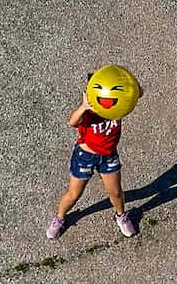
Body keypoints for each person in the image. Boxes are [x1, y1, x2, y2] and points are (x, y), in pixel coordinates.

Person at [46, 78, 142, 239]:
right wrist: (84, 106)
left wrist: (131, 85)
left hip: (109, 156)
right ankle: (59, 218)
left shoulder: (117, 107)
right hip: (85, 157)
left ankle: (120, 216)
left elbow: (138, 94)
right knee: (73, 194)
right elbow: (72, 122)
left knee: (116, 193)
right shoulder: (89, 113)